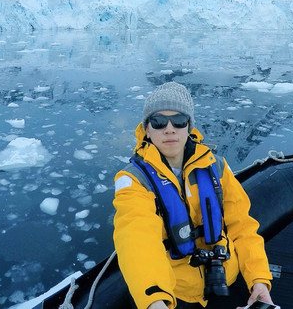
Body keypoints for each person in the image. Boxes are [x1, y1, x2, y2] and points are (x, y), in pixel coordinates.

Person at [113, 82, 274, 309]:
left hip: (226, 278)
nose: (169, 129)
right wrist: (154, 299)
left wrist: (258, 279)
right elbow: (136, 238)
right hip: (175, 293)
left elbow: (243, 227)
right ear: (146, 129)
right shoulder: (134, 180)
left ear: (189, 126)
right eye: (159, 122)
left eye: (178, 121)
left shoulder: (216, 167)